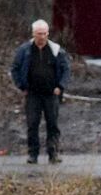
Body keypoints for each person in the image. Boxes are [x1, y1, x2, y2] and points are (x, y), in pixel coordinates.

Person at [9, 20, 69, 164]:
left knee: (52, 124)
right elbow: (15, 68)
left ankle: (53, 154)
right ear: (33, 34)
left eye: (44, 33)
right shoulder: (25, 50)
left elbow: (66, 69)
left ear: (48, 33)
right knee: (32, 124)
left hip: (51, 93)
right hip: (33, 94)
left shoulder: (55, 50)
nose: (41, 37)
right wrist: (22, 86)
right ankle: (32, 154)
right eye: (38, 34)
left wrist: (60, 86)